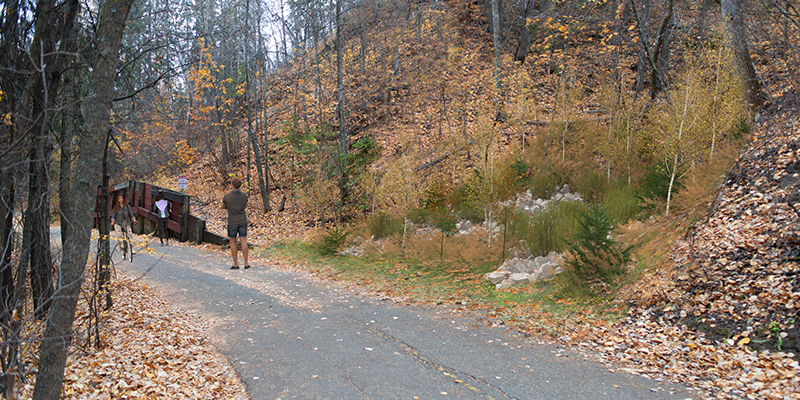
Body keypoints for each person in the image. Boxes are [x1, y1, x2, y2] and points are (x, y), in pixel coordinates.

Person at [222, 178, 249, 269]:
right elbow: (246, 205)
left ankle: (235, 264)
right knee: (243, 241)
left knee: (232, 242)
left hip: (232, 222)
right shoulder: (244, 196)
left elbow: (223, 206)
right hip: (242, 220)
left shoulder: (227, 196)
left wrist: (229, 206)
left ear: (232, 185)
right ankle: (246, 263)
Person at [111, 194, 136, 259]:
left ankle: (131, 248)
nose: (120, 200)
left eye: (121, 198)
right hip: (118, 223)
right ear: (117, 200)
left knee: (130, 234)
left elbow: (131, 213)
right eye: (119, 198)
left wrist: (133, 218)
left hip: (126, 223)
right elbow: (113, 215)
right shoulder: (116, 207)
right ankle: (119, 246)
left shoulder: (127, 206)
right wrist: (113, 221)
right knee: (119, 235)